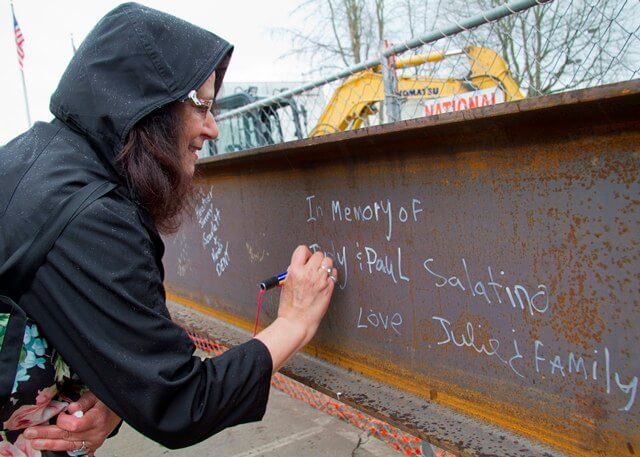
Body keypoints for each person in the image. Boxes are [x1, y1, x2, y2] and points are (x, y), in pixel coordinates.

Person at [0, 3, 337, 456]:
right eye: (201, 105)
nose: (213, 127)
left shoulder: (43, 158)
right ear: (145, 104)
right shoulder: (91, 217)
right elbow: (181, 402)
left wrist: (117, 395)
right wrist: (293, 322)